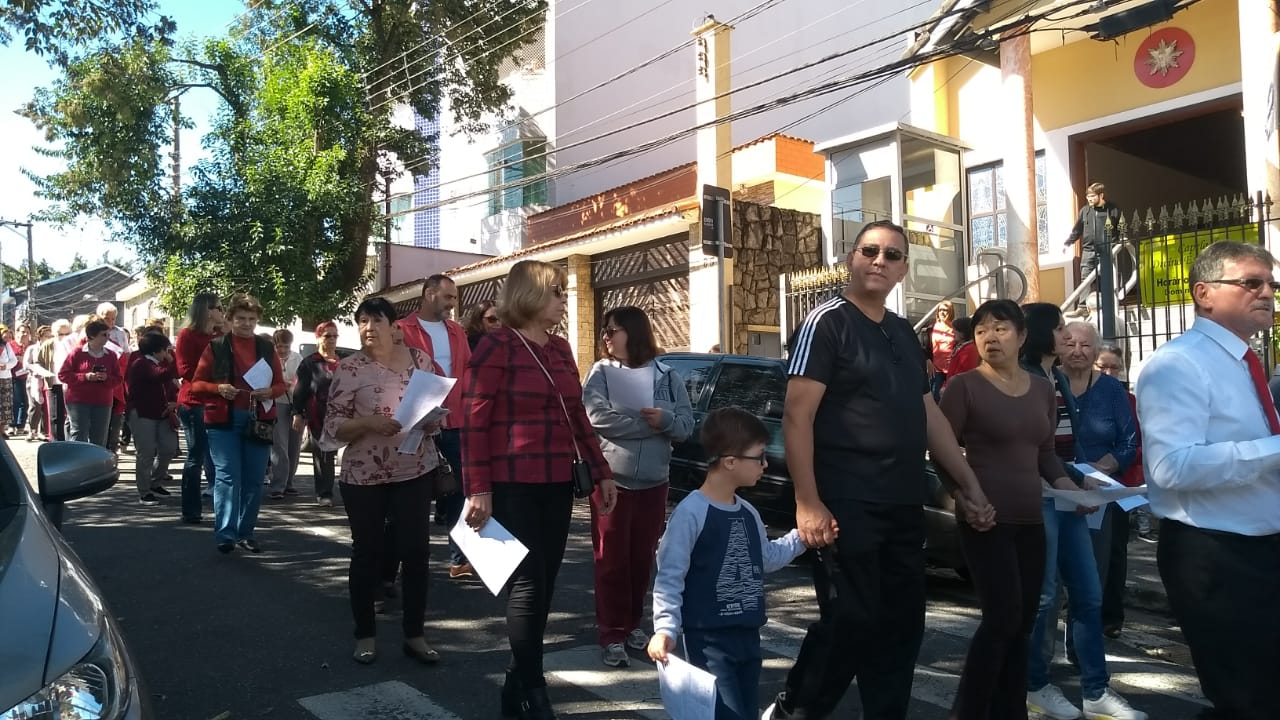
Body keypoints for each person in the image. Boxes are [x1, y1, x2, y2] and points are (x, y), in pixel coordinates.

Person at [765, 220, 994, 720]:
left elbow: (929, 416)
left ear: (903, 269)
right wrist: (807, 502)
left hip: (903, 502)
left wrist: (968, 485)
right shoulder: (827, 323)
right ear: (851, 258)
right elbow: (797, 416)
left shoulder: (903, 333)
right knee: (851, 619)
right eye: (870, 251)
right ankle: (794, 710)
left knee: (901, 626)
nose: (879, 261)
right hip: (846, 501)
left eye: (892, 255)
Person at [462, 259, 618, 720]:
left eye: (563, 292)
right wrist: (478, 488)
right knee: (528, 583)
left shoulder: (561, 349)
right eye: (556, 291)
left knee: (545, 582)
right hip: (510, 483)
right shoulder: (496, 345)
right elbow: (473, 421)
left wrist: (602, 471)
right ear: (529, 295)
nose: (563, 300)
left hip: (556, 481)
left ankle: (516, 684)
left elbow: (577, 417)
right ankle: (533, 688)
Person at [1136, 240, 1280, 720]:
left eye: (1271, 284)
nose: (1266, 293)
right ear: (1204, 293)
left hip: (1262, 549)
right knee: (1248, 701)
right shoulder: (1178, 363)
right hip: (1216, 555)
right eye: (1251, 283)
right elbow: (1171, 467)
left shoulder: (1243, 363)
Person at [940, 299, 1080, 719]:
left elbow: (1045, 453)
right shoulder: (963, 387)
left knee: (1022, 625)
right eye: (981, 330)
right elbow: (941, 450)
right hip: (985, 520)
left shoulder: (1042, 389)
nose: (990, 337)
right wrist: (963, 496)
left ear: (1021, 337)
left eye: (1000, 328)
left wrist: (1072, 490)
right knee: (1002, 618)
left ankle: (1009, 711)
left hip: (1031, 519)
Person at [1020, 303, 1144, 720]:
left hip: (1071, 495)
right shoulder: (1027, 378)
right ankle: (1035, 685)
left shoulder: (1055, 378)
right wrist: (1075, 480)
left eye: (1080, 340)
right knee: (1045, 597)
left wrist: (1080, 481)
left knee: (1089, 594)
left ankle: (1096, 692)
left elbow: (1070, 446)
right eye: (1061, 332)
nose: (1069, 341)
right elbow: (1036, 449)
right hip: (1043, 497)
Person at [648, 407, 806, 720]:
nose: (765, 464)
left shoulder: (748, 512)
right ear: (730, 461)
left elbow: (765, 558)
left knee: (745, 712)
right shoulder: (691, 513)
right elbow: (670, 577)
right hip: (709, 642)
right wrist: (665, 628)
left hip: (748, 636)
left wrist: (803, 537)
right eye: (759, 457)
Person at [321, 297, 443, 666]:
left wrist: (431, 420)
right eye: (362, 321)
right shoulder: (349, 368)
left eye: (376, 320)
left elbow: (435, 415)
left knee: (416, 552)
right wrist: (368, 423)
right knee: (367, 553)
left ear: (394, 326)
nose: (369, 328)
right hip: (365, 474)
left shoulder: (420, 361)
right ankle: (365, 635)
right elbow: (332, 426)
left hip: (414, 469)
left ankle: (415, 635)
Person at [582, 305, 694, 668]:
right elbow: (597, 418)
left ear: (634, 332)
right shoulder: (601, 372)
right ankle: (611, 633)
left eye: (613, 330)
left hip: (654, 483)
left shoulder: (667, 376)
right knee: (611, 560)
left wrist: (667, 420)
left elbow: (686, 426)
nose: (606, 337)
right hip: (612, 482)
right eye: (604, 330)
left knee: (642, 559)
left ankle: (632, 625)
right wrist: (652, 426)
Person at [190, 293, 284, 554]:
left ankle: (246, 532)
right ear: (230, 319)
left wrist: (271, 391)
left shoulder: (266, 347)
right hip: (222, 420)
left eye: (251, 319)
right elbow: (196, 385)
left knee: (254, 479)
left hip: (258, 419)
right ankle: (226, 534)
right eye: (241, 318)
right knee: (227, 476)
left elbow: (281, 384)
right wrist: (218, 388)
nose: (246, 323)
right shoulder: (216, 346)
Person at [1062, 322, 1138, 640]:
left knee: (1100, 565)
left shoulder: (1111, 390)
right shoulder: (1048, 384)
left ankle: (1092, 632)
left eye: (1085, 345)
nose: (1077, 351)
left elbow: (1129, 442)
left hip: (1103, 490)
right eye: (1070, 344)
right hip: (1058, 485)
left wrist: (1107, 464)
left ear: (1095, 351)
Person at [396, 274, 473, 577]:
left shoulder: (457, 331)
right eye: (448, 297)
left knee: (459, 489)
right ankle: (399, 562)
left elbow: (468, 372)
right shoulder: (402, 329)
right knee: (410, 494)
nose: (452, 304)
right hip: (416, 424)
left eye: (454, 298)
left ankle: (459, 559)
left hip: (455, 421)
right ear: (429, 294)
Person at [1096, 346, 1154, 542]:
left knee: (1117, 544)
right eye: (1102, 367)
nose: (1109, 373)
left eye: (1115, 368)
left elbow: (1141, 443)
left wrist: (1117, 459)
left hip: (1121, 483)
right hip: (1084, 482)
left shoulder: (1130, 400)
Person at [175, 293, 224, 524]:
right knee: (196, 456)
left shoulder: (220, 336)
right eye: (219, 308)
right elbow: (184, 369)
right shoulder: (188, 335)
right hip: (194, 402)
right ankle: (191, 509)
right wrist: (215, 375)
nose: (222, 312)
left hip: (217, 400)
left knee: (220, 456)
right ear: (207, 310)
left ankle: (223, 507)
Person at [127, 332, 179, 505]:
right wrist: (173, 362)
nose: (167, 354)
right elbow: (160, 375)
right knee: (146, 452)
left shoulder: (159, 364)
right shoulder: (141, 363)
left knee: (169, 448)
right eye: (166, 350)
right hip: (142, 413)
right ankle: (144, 490)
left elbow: (171, 383)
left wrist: (173, 401)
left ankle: (156, 482)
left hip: (162, 412)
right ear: (157, 350)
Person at [293, 322, 341, 506]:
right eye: (327, 336)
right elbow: (300, 390)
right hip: (318, 416)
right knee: (323, 456)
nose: (331, 340)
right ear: (318, 338)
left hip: (343, 414)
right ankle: (324, 493)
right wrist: (298, 413)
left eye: (335, 336)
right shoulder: (310, 363)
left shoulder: (343, 362)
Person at [59, 320, 123, 446]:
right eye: (104, 335)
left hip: (103, 401)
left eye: (108, 335)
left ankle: (96, 459)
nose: (107, 338)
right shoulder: (77, 353)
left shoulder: (111, 355)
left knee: (99, 436)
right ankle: (77, 458)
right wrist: (85, 377)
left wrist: (106, 378)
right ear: (92, 336)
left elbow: (118, 379)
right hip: (78, 401)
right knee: (79, 434)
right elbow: (63, 375)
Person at [1062, 182, 1122, 315]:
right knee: (1085, 278)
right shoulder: (1085, 211)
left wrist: (1118, 242)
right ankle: (1083, 308)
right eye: (1088, 196)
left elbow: (1120, 227)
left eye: (1092, 196)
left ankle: (1108, 307)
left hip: (1106, 250)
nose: (1089, 199)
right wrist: (1068, 243)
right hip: (1088, 250)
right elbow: (1077, 230)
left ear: (1101, 195)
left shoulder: (1112, 209)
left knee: (1106, 278)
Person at [267, 328, 303, 500]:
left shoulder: (298, 358)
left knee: (294, 445)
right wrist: (280, 384)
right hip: (278, 402)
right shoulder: (269, 359)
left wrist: (293, 386)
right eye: (279, 346)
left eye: (286, 346)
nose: (282, 350)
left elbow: (303, 382)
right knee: (279, 444)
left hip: (295, 404)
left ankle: (289, 482)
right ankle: (278, 485)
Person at [30, 319, 71, 441]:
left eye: (67, 334)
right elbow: (38, 362)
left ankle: (70, 442)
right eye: (60, 334)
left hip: (71, 384)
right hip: (54, 383)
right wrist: (45, 373)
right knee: (56, 416)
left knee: (71, 416)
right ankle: (57, 442)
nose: (63, 337)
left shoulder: (73, 343)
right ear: (54, 333)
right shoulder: (48, 344)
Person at [921, 300, 956, 400]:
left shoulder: (955, 329)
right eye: (940, 310)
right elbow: (924, 347)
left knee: (951, 398)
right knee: (935, 397)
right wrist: (927, 360)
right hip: (935, 370)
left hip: (952, 369)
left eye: (945, 310)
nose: (942, 312)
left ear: (950, 312)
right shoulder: (931, 328)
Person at [23, 325, 51, 441]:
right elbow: (26, 364)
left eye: (51, 336)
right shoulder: (32, 349)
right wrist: (36, 369)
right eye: (46, 336)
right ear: (40, 337)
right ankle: (32, 430)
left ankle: (43, 431)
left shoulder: (52, 348)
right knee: (35, 406)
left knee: (46, 407)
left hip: (48, 380)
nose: (49, 339)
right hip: (34, 380)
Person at [942, 316, 977, 391]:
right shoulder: (961, 346)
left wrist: (949, 387)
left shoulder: (970, 349)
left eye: (955, 330)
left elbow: (964, 373)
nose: (952, 332)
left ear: (963, 332)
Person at [11, 325, 29, 435]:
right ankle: (12, 425)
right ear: (17, 333)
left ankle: (21, 425)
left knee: (25, 402)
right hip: (14, 377)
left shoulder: (31, 345)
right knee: (16, 401)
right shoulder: (11, 345)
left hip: (28, 377)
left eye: (27, 332)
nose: (24, 334)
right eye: (22, 332)